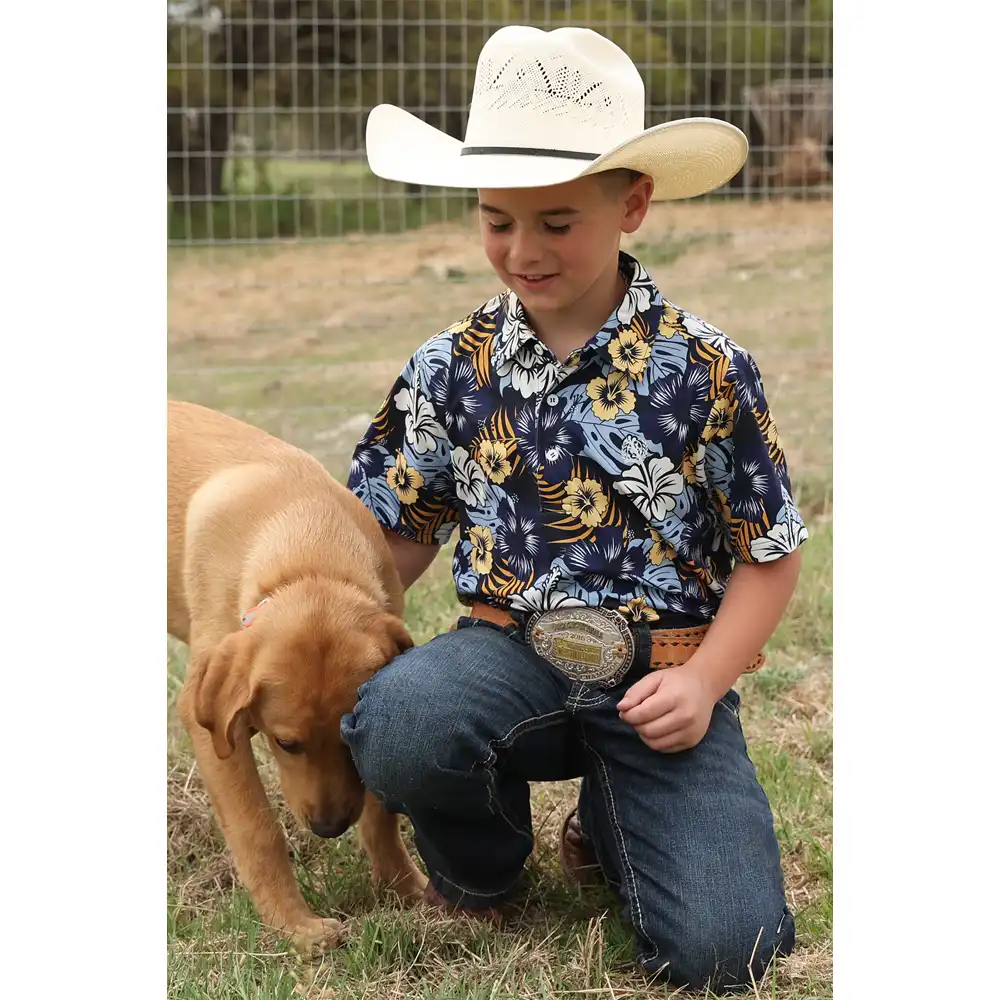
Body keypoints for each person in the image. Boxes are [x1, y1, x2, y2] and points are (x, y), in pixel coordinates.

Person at [341, 24, 807, 994]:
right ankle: (483, 860)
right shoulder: (448, 367)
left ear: (631, 202)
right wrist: (314, 602)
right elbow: (395, 529)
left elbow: (768, 552)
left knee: (727, 951)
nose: (521, 250)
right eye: (496, 219)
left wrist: (707, 680)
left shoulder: (705, 368)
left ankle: (611, 816)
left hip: (663, 680)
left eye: (555, 222)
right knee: (400, 717)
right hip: (506, 654)